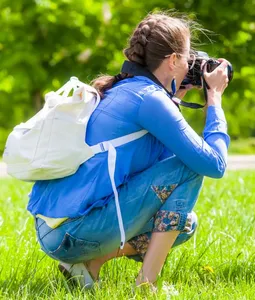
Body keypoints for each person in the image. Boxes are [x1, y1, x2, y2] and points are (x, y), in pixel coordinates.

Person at [29, 12, 230, 289]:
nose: (190, 64)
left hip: (54, 231)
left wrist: (176, 97)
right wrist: (215, 101)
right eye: (187, 57)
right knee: (190, 166)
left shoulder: (126, 89)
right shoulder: (149, 99)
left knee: (185, 224)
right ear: (172, 61)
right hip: (73, 231)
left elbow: (158, 170)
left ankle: (90, 263)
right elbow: (213, 164)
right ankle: (146, 287)